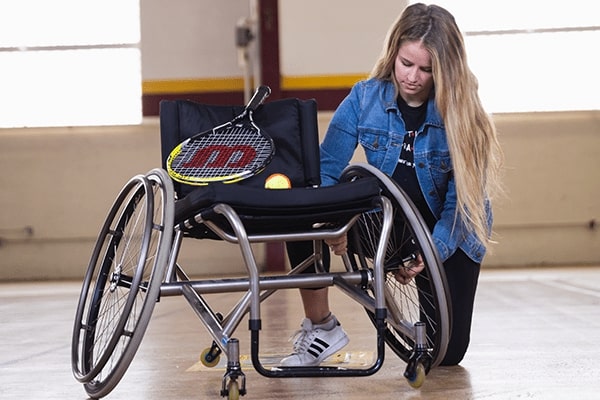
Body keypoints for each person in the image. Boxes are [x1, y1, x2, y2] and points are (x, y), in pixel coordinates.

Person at [281, 2, 503, 367]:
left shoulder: (465, 115)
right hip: (387, 226)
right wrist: (331, 222)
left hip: (447, 233)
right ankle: (321, 326)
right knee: (297, 215)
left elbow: (462, 205)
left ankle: (425, 311)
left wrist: (430, 253)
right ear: (393, 54)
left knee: (447, 355)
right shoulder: (363, 98)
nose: (413, 76)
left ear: (445, 70)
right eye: (406, 63)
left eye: (426, 69)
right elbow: (327, 170)